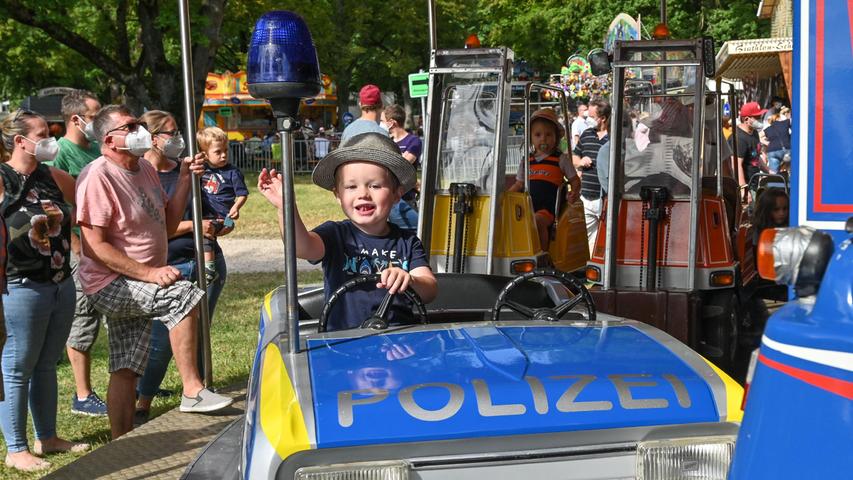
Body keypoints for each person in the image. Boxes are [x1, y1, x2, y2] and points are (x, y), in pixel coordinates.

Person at [76, 105, 233, 440]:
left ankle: (120, 441)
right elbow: (94, 247)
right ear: (109, 139)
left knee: (126, 368)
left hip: (137, 278)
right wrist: (148, 273)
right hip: (110, 281)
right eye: (130, 125)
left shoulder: (144, 169)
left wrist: (183, 180)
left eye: (138, 124)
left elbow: (169, 223)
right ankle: (192, 390)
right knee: (184, 296)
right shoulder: (97, 176)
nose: (138, 130)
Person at [258, 132, 437, 331]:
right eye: (351, 186)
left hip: (398, 343)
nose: (363, 194)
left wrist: (410, 279)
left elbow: (429, 289)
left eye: (375, 185)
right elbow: (301, 247)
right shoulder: (335, 235)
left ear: (397, 194)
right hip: (341, 344)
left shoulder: (408, 242)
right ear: (338, 195)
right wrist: (286, 206)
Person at [0, 110, 89, 472]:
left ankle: (47, 437)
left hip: (59, 283)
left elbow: (82, 210)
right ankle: (16, 448)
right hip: (19, 287)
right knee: (18, 367)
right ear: (20, 141)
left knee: (47, 364)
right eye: (42, 133)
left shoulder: (53, 177)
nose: (49, 138)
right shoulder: (3, 179)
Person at [134, 110, 230, 426]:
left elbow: (210, 210)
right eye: (172, 132)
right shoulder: (142, 175)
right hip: (169, 267)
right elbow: (153, 228)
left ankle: (200, 394)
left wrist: (219, 224)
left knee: (198, 337)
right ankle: (141, 403)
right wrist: (194, 225)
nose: (179, 139)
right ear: (151, 137)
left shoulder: (188, 171)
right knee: (161, 344)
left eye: (178, 131)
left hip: (205, 262)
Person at [49, 89, 109, 417]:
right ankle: (82, 395)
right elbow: (59, 208)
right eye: (95, 115)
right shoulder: (60, 154)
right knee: (83, 317)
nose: (99, 122)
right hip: (79, 251)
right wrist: (76, 248)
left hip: (107, 249)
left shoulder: (99, 150)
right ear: (76, 119)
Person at [507, 108, 581, 252]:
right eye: (538, 135)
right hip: (527, 207)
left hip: (548, 208)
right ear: (531, 138)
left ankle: (543, 254)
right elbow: (519, 184)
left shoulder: (560, 159)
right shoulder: (526, 161)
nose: (543, 139)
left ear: (556, 138)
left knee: (538, 221)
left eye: (548, 135)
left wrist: (574, 192)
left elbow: (575, 180)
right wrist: (504, 197)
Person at [197, 127, 247, 282]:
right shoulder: (201, 170)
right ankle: (207, 266)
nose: (224, 155)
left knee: (210, 233)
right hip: (206, 215)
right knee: (207, 233)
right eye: (218, 152)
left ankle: (209, 269)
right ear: (205, 155)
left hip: (225, 217)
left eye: (225, 150)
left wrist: (236, 208)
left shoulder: (233, 172)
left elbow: (242, 194)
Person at [573, 98, 610, 255]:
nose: (587, 119)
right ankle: (591, 270)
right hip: (586, 198)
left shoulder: (614, 138)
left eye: (592, 116)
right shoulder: (587, 134)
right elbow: (574, 158)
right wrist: (580, 161)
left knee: (606, 239)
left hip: (605, 200)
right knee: (587, 237)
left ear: (603, 119)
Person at [381, 104, 422, 232]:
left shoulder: (413, 141)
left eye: (382, 121)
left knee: (410, 234)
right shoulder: (385, 141)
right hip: (387, 198)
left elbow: (402, 164)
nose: (380, 124)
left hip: (406, 199)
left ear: (392, 123)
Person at [729, 101, 766, 188]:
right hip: (745, 186)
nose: (760, 119)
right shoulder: (739, 138)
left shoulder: (754, 133)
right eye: (757, 117)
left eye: (760, 116)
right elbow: (736, 165)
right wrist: (743, 188)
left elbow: (755, 155)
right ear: (746, 119)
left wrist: (768, 171)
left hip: (754, 184)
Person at [762, 107, 791, 174]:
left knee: (773, 173)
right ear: (779, 118)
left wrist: (767, 143)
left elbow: (758, 136)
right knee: (790, 170)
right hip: (786, 149)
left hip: (772, 151)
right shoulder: (785, 122)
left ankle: (774, 182)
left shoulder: (769, 128)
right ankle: (788, 180)